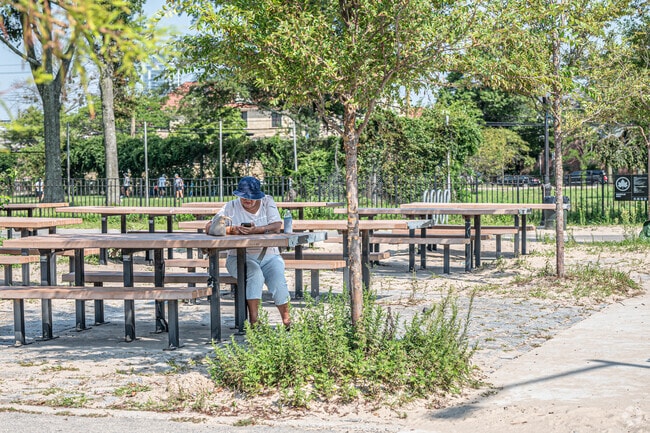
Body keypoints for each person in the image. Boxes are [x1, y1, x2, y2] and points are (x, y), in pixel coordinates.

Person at [205, 176, 291, 329]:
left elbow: (277, 225)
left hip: (269, 255)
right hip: (238, 258)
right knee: (254, 273)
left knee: (278, 279)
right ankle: (254, 322)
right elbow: (209, 227)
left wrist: (257, 230)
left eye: (251, 197)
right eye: (244, 197)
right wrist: (231, 230)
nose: (247, 200)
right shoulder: (230, 206)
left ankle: (287, 321)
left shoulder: (267, 201)